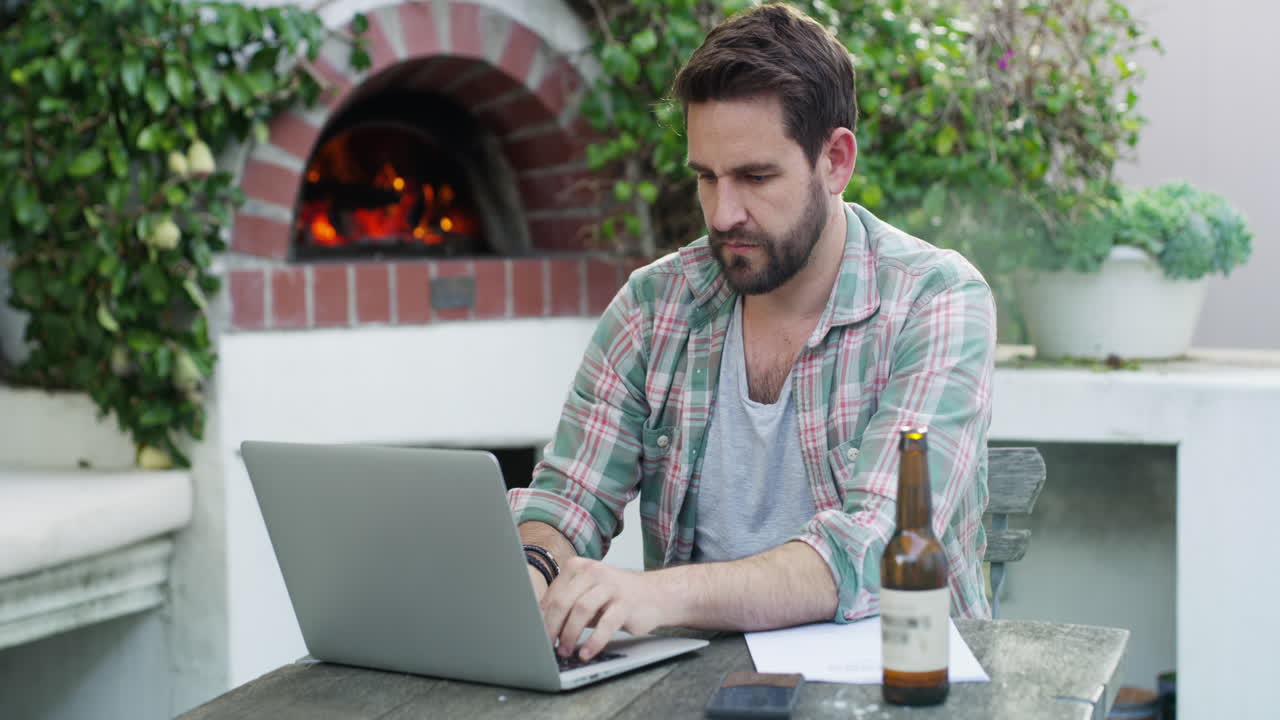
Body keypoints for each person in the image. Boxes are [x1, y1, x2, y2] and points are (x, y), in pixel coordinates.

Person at [508, 2, 995, 663]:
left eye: (755, 177)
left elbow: (878, 547)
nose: (722, 213)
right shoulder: (655, 306)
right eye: (706, 178)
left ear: (835, 160)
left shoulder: (934, 301)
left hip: (902, 680)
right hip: (694, 688)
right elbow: (570, 499)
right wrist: (535, 569)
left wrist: (659, 595)